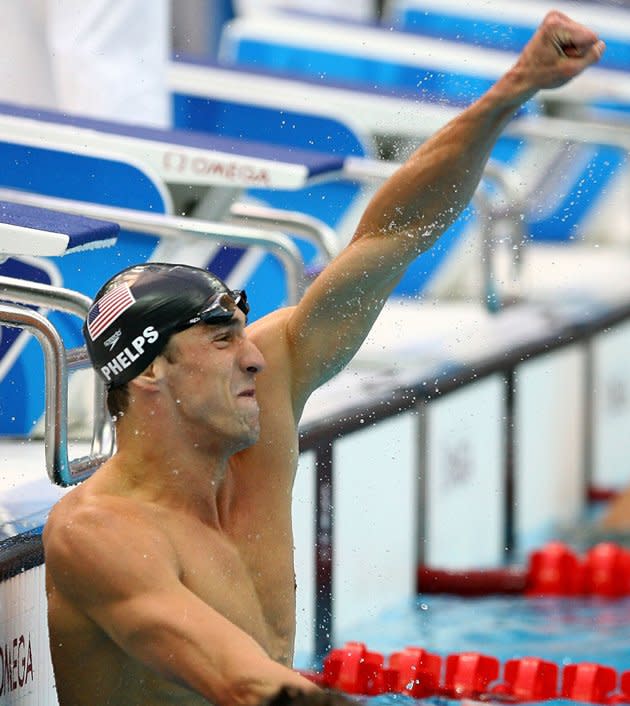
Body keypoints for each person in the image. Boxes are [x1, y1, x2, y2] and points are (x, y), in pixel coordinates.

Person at [42, 11, 605, 706]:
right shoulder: (101, 535)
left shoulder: (260, 401)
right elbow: (244, 684)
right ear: (150, 371)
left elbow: (394, 235)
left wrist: (513, 91)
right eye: (222, 340)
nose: (254, 359)